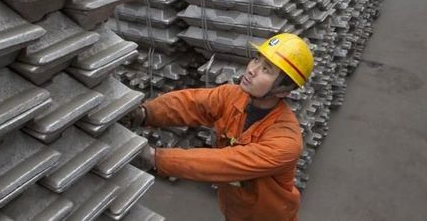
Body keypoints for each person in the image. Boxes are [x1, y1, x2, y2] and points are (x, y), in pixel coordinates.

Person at [128, 33, 314, 221]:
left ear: (283, 91)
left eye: (266, 69)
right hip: (235, 209)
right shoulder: (232, 96)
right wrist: (145, 113)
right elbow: (191, 104)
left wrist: (155, 158)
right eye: (257, 60)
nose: (252, 70)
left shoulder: (286, 141)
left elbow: (224, 162)